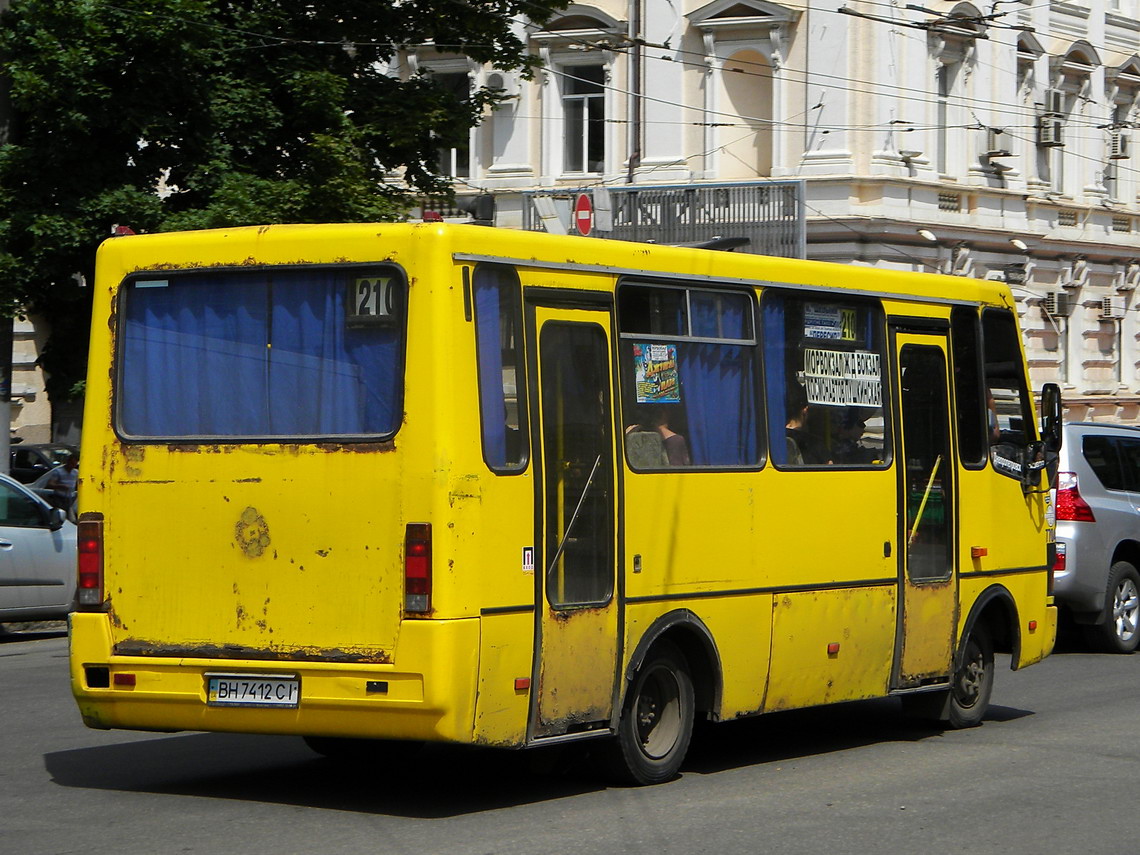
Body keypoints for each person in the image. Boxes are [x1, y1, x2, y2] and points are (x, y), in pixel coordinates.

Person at [44, 454, 79, 518]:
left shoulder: (75, 472)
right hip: (59, 497)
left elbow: (77, 484)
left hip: (70, 498)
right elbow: (50, 484)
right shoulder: (58, 472)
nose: (72, 466)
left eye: (74, 464)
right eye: (71, 463)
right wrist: (60, 486)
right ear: (68, 462)